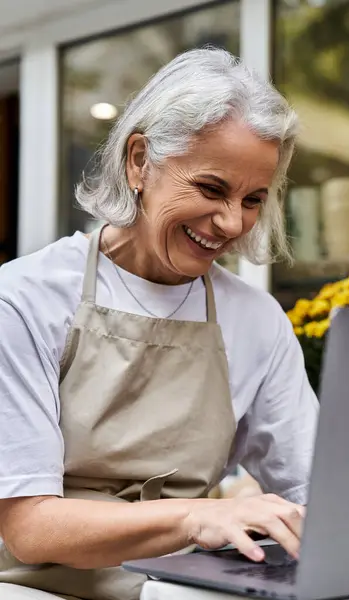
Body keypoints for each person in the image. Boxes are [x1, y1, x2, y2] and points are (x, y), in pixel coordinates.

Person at [0, 48, 318, 600]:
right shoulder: (24, 299)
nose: (230, 222)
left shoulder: (256, 320)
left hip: (174, 585)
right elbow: (30, 528)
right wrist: (196, 519)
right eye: (212, 188)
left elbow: (313, 489)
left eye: (253, 200)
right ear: (140, 162)